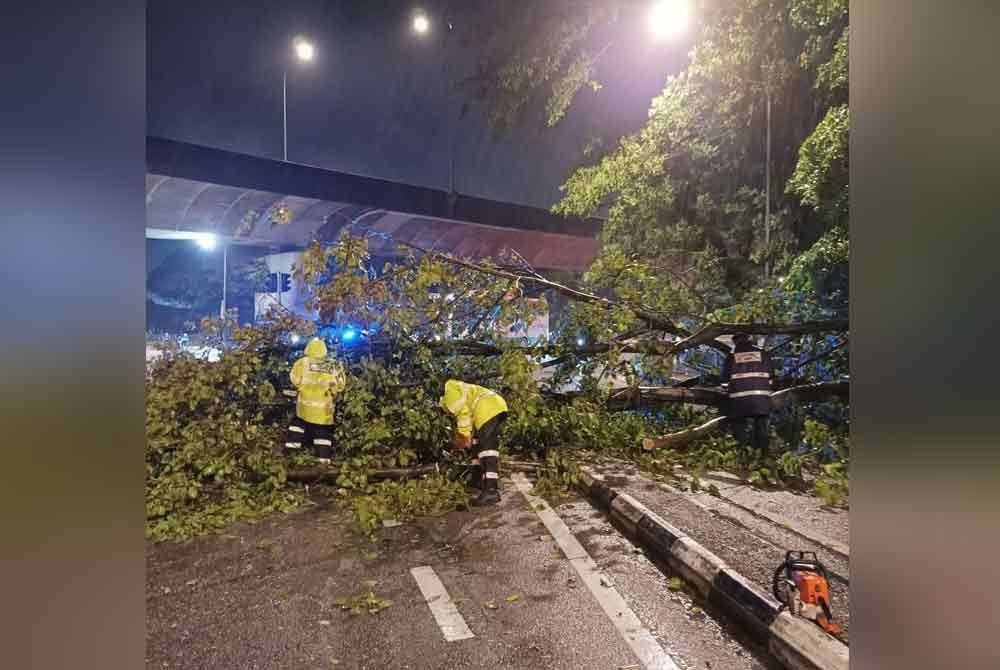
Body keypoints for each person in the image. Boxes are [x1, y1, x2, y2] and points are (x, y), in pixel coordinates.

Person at [439, 379, 509, 506]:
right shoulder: (455, 388)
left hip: (488, 408)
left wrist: (464, 437)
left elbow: (463, 415)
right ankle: (477, 480)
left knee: (488, 450)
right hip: (494, 406)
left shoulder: (448, 395)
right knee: (477, 445)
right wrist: (467, 438)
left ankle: (491, 490)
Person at [284, 337, 346, 463]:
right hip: (324, 412)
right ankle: (323, 464)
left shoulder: (303, 363)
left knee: (296, 427)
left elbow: (294, 380)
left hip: (304, 410)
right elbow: (341, 385)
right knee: (323, 436)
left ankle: (290, 459)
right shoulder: (334, 365)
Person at [721, 333, 773, 455]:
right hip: (761, 398)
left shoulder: (732, 356)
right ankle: (763, 453)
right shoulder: (763, 354)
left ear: (735, 342)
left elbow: (724, 381)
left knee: (738, 422)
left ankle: (743, 451)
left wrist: (726, 390)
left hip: (739, 400)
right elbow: (771, 378)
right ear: (749, 339)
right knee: (761, 423)